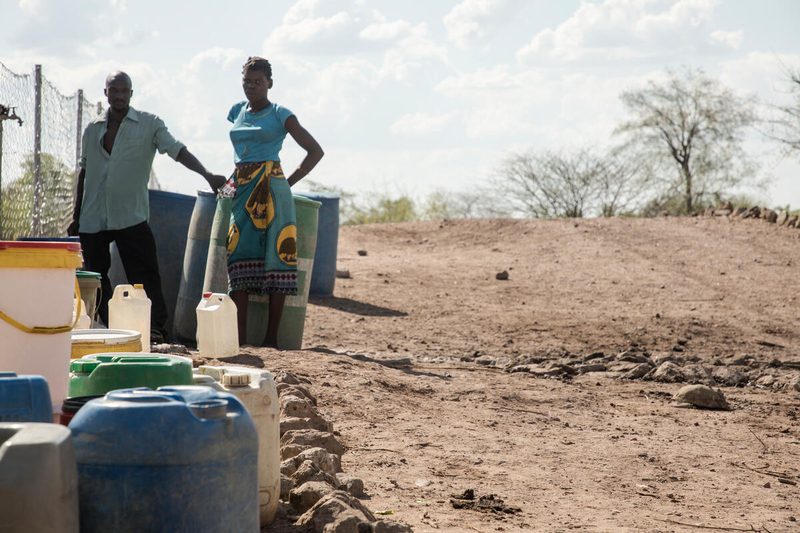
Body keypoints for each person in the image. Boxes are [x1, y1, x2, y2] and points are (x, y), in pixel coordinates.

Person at [68, 71, 227, 343]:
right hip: (93, 216)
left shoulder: (149, 124)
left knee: (144, 274)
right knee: (94, 276)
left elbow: (178, 151)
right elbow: (85, 171)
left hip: (130, 215)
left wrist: (207, 175)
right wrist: (76, 216)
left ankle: (156, 330)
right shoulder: (93, 129)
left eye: (124, 91)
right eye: (113, 90)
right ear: (105, 93)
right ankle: (112, 325)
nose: (118, 96)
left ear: (131, 93)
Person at [226, 56, 324, 347]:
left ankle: (271, 340)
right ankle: (240, 339)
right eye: (247, 81)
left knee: (277, 258)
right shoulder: (235, 112)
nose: (252, 87)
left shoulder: (282, 114)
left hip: (273, 190)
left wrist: (286, 182)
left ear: (270, 83)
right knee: (237, 256)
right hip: (242, 190)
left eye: (258, 82)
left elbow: (315, 151)